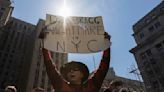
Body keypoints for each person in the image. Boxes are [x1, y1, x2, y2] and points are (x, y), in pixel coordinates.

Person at [41, 32, 111, 92]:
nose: (71, 71)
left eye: (75, 69)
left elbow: (103, 67)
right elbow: (50, 67)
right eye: (68, 71)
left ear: (82, 74)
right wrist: (45, 45)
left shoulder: (92, 85)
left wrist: (106, 46)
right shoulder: (61, 86)